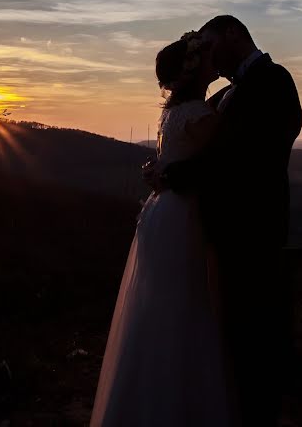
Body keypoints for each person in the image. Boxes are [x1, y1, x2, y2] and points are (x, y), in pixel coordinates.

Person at [153, 15, 302, 426]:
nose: (209, 54)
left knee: (255, 337)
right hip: (219, 231)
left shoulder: (275, 81)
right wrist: (167, 165)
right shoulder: (223, 95)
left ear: (233, 34)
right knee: (228, 337)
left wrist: (171, 174)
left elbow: (240, 157)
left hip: (254, 229)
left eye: (212, 43)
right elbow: (201, 147)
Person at [91, 30, 236, 426]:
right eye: (207, 57)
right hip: (180, 214)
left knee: (161, 307)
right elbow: (226, 160)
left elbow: (174, 158)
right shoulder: (202, 116)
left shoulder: (173, 113)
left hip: (161, 211)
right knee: (184, 307)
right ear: (194, 69)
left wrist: (161, 171)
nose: (214, 61)